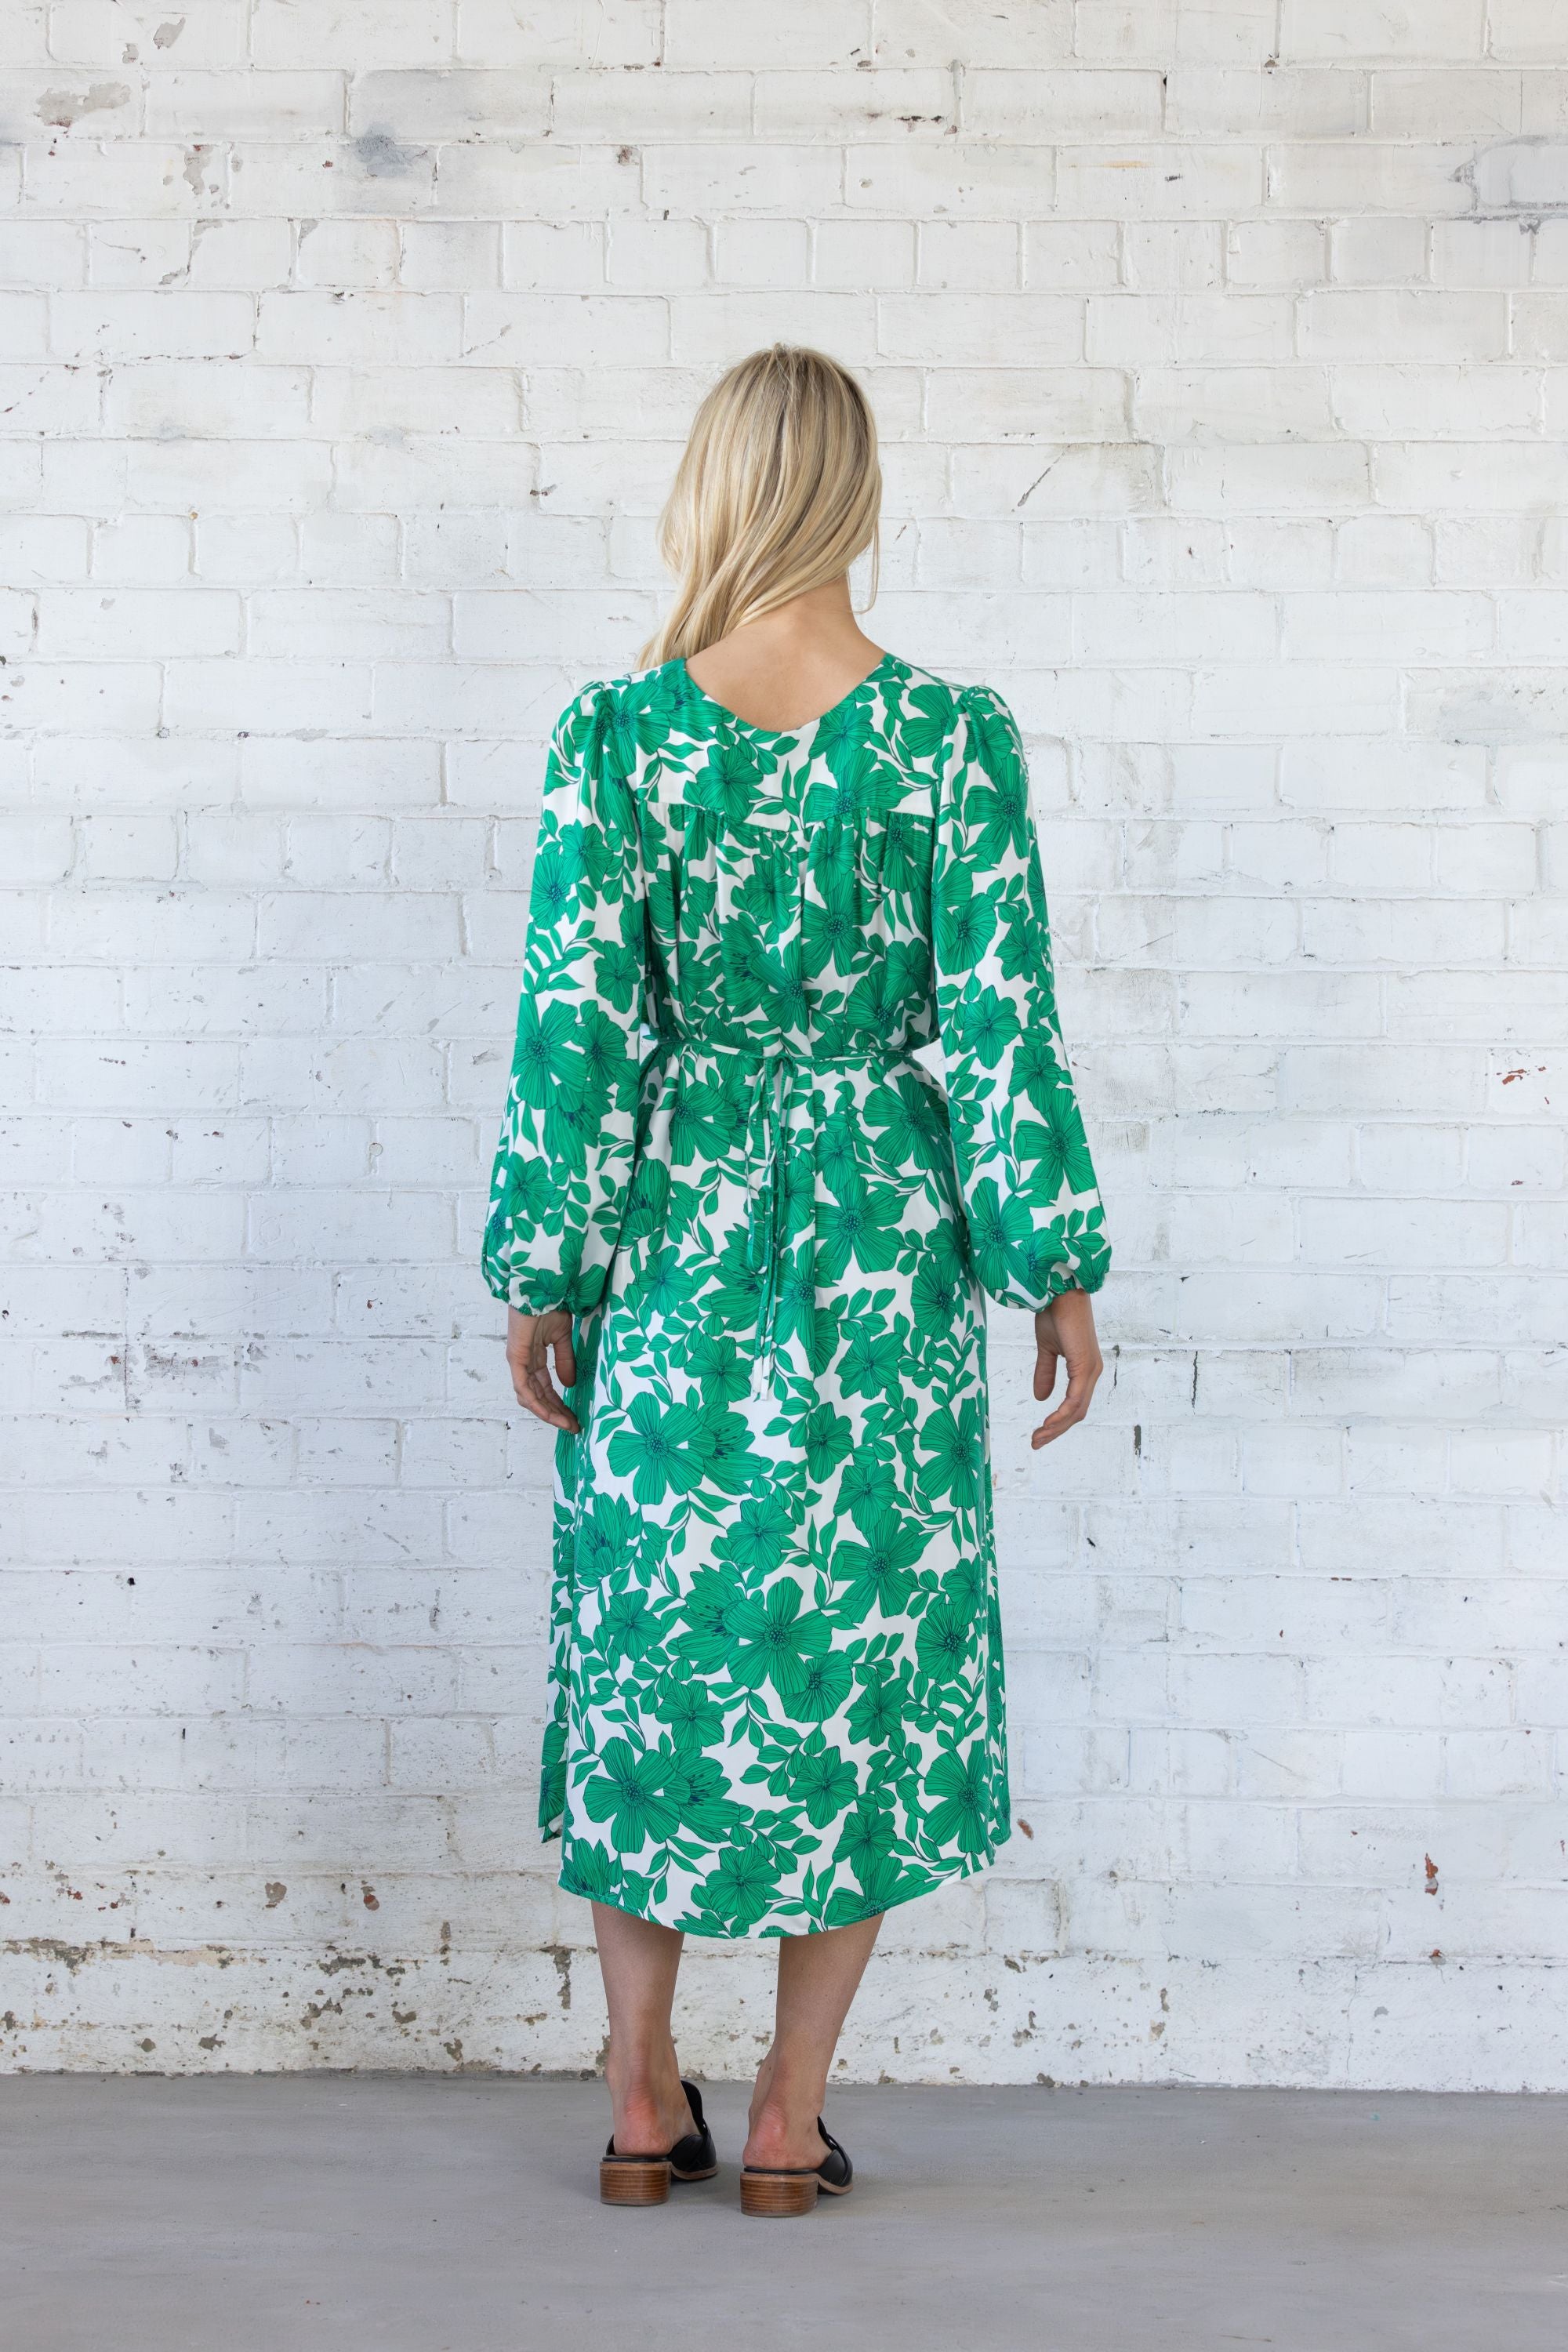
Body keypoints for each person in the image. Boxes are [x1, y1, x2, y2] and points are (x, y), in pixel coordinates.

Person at [482, 345, 1109, 2217]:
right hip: (877, 1256)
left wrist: (546, 1262)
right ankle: (784, 2116)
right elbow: (1002, 1023)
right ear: (854, 489)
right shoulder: (945, 737)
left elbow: (575, 1033)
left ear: (714, 487)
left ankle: (634, 2091)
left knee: (652, 1654)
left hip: (673, 1240)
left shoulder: (619, 736)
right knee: (865, 1661)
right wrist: (1053, 1270)